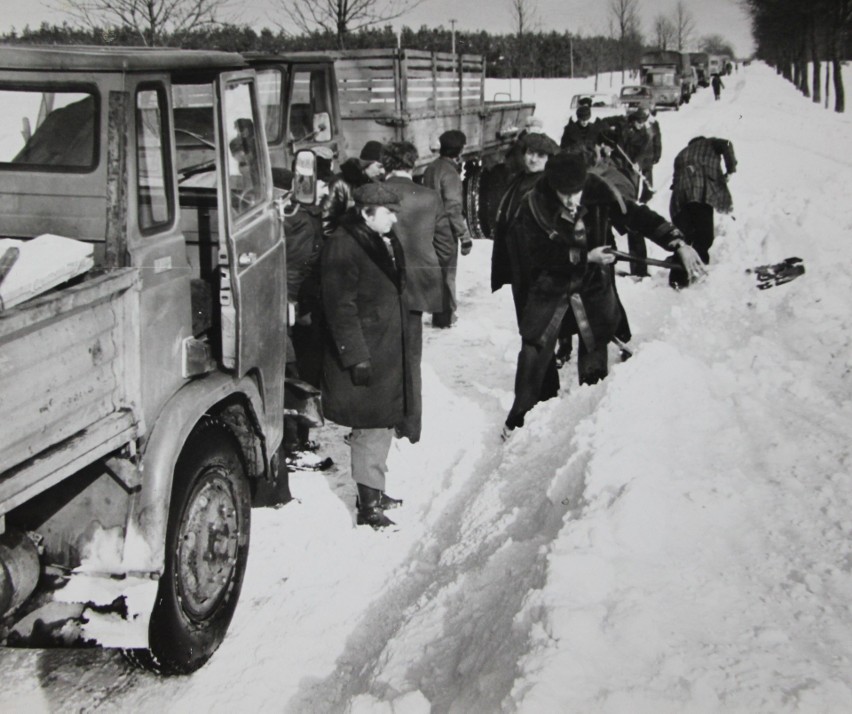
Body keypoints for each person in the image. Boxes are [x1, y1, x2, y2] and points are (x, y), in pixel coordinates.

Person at [501, 151, 706, 439]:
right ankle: (529, 424)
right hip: (549, 289)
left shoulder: (599, 192)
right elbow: (537, 255)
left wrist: (678, 242)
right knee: (536, 357)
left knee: (595, 347)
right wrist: (587, 257)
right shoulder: (533, 205)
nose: (573, 202)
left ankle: (590, 422)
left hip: (592, 291)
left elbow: (638, 217)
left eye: (577, 193)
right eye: (565, 195)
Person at [320, 182, 412, 529]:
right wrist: (355, 355)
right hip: (365, 351)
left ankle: (374, 489)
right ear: (366, 213)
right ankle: (369, 506)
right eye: (389, 213)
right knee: (371, 426)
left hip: (384, 346)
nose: (395, 220)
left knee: (382, 421)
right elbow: (339, 307)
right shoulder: (344, 245)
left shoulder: (378, 237)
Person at [381, 141, 454, 443]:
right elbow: (446, 247)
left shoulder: (374, 194)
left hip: (380, 287)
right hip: (416, 289)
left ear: (386, 165)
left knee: (381, 358)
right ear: (413, 164)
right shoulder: (430, 197)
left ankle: (380, 425)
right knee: (411, 360)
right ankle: (411, 429)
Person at [669, 136, 737, 287]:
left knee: (683, 240)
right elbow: (726, 143)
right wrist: (731, 169)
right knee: (704, 237)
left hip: (679, 199)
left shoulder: (681, 154)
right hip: (701, 192)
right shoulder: (709, 143)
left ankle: (676, 281)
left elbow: (674, 182)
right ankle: (698, 278)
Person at [423, 129, 473, 328]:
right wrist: (464, 235)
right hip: (445, 230)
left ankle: (439, 313)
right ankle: (446, 316)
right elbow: (453, 208)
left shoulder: (431, 167)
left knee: (437, 273)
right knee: (447, 274)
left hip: (429, 226)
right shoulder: (450, 173)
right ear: (459, 152)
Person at [621, 107, 662, 277]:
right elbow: (620, 147)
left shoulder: (649, 131)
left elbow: (651, 151)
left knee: (637, 215)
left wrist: (639, 162)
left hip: (640, 170)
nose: (639, 125)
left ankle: (639, 267)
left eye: (642, 122)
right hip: (626, 170)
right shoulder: (626, 129)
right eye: (637, 121)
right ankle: (637, 268)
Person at [322, 140, 384, 234]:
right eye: (379, 166)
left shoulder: (376, 184)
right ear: (366, 163)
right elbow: (326, 224)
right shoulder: (339, 183)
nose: (382, 171)